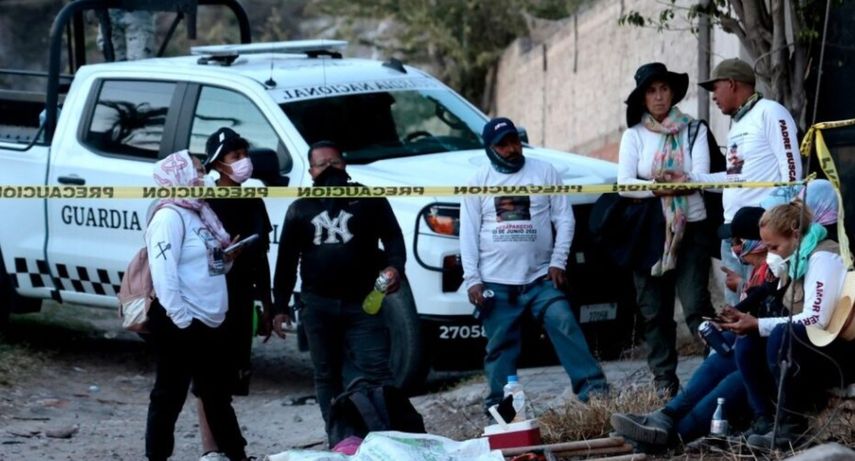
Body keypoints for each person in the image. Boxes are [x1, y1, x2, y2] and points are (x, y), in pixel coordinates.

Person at [460, 117, 608, 410]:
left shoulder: (544, 171)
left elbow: (564, 218)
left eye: (514, 141)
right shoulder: (478, 181)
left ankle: (596, 395)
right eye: (503, 145)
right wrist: (472, 279)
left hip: (541, 279)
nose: (512, 148)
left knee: (563, 320)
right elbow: (468, 233)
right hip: (496, 283)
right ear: (490, 149)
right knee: (500, 348)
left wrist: (558, 261)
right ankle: (500, 411)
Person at [609, 206, 771, 449]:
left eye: (739, 241)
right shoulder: (762, 272)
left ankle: (668, 439)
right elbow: (758, 303)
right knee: (717, 363)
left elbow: (789, 318)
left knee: (730, 384)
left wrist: (750, 317)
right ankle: (665, 417)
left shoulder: (785, 268)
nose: (734, 248)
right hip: (753, 352)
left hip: (772, 360)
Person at [271, 141, 405, 427]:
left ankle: (396, 438)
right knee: (327, 375)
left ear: (344, 164)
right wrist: (279, 306)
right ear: (311, 172)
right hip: (318, 306)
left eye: (334, 162)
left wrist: (395, 266)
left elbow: (393, 237)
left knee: (378, 372)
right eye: (322, 164)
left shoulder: (369, 200)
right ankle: (342, 439)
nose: (329, 169)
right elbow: (285, 262)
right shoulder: (300, 208)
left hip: (363, 304)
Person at [720, 201, 855, 450]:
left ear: (794, 234)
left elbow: (816, 320)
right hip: (812, 347)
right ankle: (765, 420)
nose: (772, 253)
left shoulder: (823, 256)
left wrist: (759, 324)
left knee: (782, 334)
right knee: (748, 341)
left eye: (774, 246)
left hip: (839, 351)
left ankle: (791, 424)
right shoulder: (796, 259)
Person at [618, 62, 715, 397]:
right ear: (642, 98)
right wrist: (657, 189)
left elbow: (702, 176)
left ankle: (718, 369)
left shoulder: (694, 129)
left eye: (663, 89)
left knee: (695, 306)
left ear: (673, 93)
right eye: (651, 90)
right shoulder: (633, 135)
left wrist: (683, 182)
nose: (658, 97)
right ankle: (664, 382)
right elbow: (624, 184)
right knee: (653, 312)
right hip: (649, 234)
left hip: (692, 229)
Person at [145, 150, 247, 461]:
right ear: (179, 175)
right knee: (169, 395)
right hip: (182, 321)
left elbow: (209, 268)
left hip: (209, 321)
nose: (202, 178)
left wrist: (227, 259)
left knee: (216, 395)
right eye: (198, 172)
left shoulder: (200, 214)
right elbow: (164, 275)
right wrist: (182, 321)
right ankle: (157, 456)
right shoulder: (168, 217)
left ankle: (236, 455)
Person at [694, 58, 803, 306]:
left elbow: (792, 170)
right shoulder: (737, 125)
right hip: (731, 232)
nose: (713, 97)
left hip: (762, 234)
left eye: (715, 88)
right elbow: (734, 178)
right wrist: (690, 180)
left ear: (731, 84)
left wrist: (784, 223)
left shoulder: (771, 111)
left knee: (764, 304)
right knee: (738, 305)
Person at [195, 128, 274, 460]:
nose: (243, 162)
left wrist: (269, 307)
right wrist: (222, 259)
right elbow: (194, 256)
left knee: (229, 378)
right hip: (210, 300)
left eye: (245, 155)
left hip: (242, 301)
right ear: (218, 164)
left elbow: (262, 258)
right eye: (235, 156)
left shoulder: (253, 200)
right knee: (206, 380)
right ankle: (212, 450)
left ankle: (226, 448)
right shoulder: (204, 201)